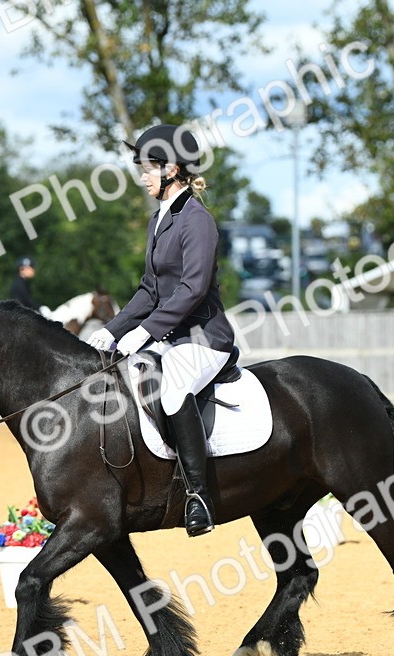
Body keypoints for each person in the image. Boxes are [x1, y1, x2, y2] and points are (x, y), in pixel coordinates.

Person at [86, 123, 235, 537]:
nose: (142, 177)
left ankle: (198, 497)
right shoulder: (159, 219)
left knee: (173, 389)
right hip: (170, 339)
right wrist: (113, 330)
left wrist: (145, 332)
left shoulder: (197, 220)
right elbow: (149, 290)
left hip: (204, 339)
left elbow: (193, 288)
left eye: (147, 168)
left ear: (171, 168)